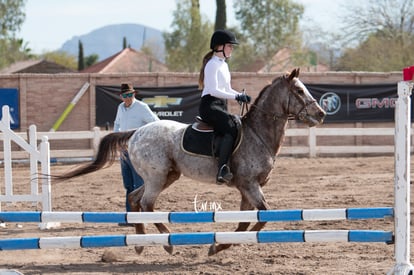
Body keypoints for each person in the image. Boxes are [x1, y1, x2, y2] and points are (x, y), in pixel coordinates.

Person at [198, 29, 251, 184]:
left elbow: (226, 89)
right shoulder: (212, 65)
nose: (231, 49)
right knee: (230, 127)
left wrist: (239, 96)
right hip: (209, 105)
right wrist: (236, 96)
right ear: (219, 46)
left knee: (237, 124)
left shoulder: (224, 66)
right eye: (229, 46)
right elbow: (214, 90)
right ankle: (222, 169)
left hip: (220, 105)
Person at [113, 83, 159, 224]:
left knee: (138, 184)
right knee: (128, 184)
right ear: (121, 97)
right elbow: (116, 124)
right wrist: (117, 141)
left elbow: (155, 123)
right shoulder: (120, 108)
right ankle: (131, 217)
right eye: (125, 95)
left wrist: (142, 140)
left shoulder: (142, 107)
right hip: (124, 150)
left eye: (130, 95)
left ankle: (142, 218)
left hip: (137, 151)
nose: (128, 98)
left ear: (134, 94)